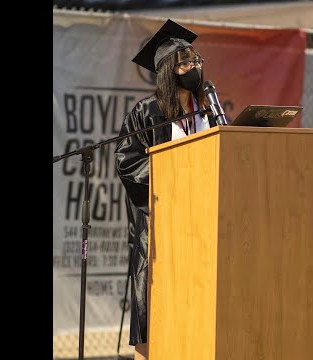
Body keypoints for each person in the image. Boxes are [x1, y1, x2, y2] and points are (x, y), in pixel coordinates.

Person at [114, 19, 218, 360]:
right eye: (185, 63)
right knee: (156, 315)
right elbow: (127, 162)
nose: (194, 68)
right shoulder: (148, 112)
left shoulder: (208, 110)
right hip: (161, 230)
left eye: (196, 61)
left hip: (204, 228)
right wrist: (175, 177)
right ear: (167, 71)